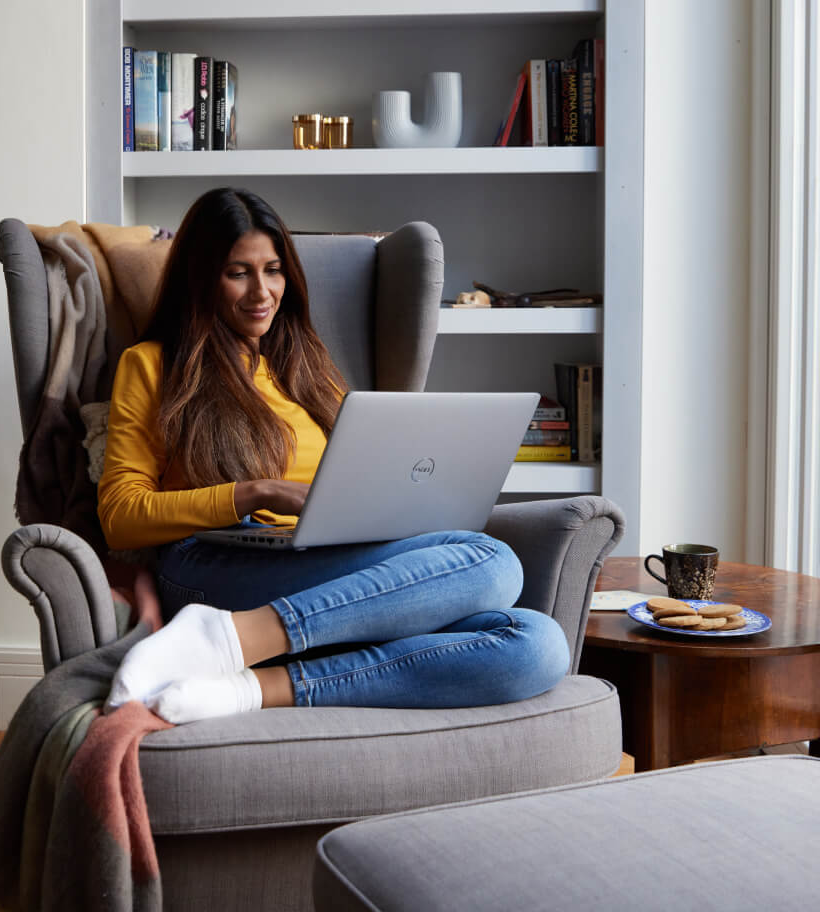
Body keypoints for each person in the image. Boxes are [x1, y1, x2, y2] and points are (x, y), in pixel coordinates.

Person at [98, 187, 569, 724]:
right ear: (200, 278)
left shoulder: (306, 367)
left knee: (536, 644)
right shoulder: (152, 365)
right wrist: (257, 491)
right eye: (238, 272)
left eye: (273, 270)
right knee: (493, 562)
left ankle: (250, 686)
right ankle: (224, 635)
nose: (262, 292)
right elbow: (120, 517)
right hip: (217, 565)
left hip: (326, 561)